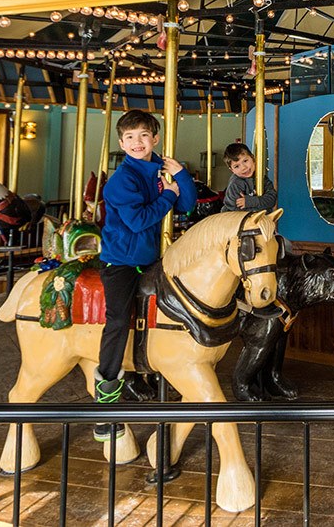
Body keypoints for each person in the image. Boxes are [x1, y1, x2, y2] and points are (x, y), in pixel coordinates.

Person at [94, 110, 197, 441]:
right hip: (121, 262)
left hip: (150, 258)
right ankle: (104, 404)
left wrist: (180, 176)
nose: (137, 142)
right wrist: (170, 193)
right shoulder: (121, 180)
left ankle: (148, 372)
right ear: (122, 144)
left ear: (154, 138)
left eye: (143, 135)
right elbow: (139, 221)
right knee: (119, 320)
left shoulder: (159, 172)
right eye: (129, 137)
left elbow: (187, 207)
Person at [221, 142, 278, 213]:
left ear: (253, 158)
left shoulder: (262, 178)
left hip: (260, 217)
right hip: (236, 219)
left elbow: (272, 200)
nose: (243, 167)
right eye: (237, 166)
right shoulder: (235, 184)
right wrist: (261, 204)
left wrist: (251, 202)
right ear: (232, 170)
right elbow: (235, 209)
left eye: (245, 161)